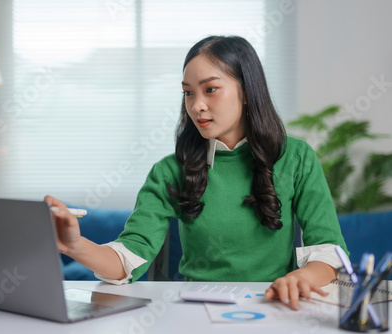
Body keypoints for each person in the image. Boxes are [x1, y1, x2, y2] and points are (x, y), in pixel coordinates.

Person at [45, 35, 349, 311]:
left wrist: (301, 278)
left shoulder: (296, 157)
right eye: (188, 93)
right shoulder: (169, 171)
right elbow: (128, 259)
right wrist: (74, 245)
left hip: (275, 306)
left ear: (246, 91)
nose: (197, 106)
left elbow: (330, 251)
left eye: (211, 90)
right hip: (194, 311)